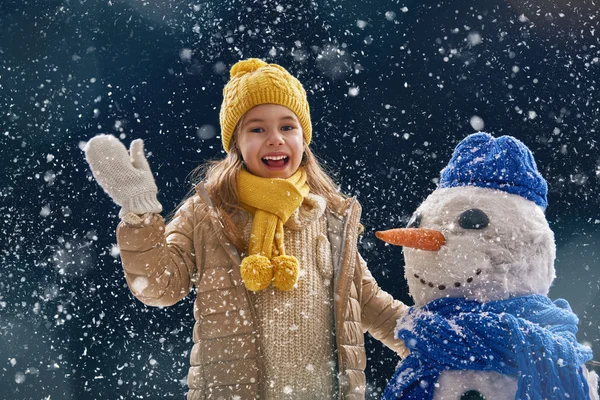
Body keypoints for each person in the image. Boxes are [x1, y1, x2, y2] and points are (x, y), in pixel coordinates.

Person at [84, 58, 409, 400]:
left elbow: (370, 304)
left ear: (304, 138)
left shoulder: (328, 218)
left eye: (288, 127)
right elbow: (159, 286)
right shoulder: (208, 214)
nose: (275, 139)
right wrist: (141, 212)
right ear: (236, 143)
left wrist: (432, 340)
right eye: (257, 129)